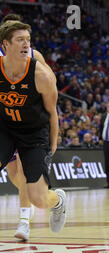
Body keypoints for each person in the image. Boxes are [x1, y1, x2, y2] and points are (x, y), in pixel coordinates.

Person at [0, 20, 67, 240]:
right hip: (6, 127)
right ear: (5, 44)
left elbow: (52, 111)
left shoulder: (41, 74)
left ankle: (57, 201)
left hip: (34, 132)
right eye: (20, 40)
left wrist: (53, 141)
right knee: (15, 177)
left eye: (27, 40)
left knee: (37, 197)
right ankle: (23, 221)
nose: (25, 44)